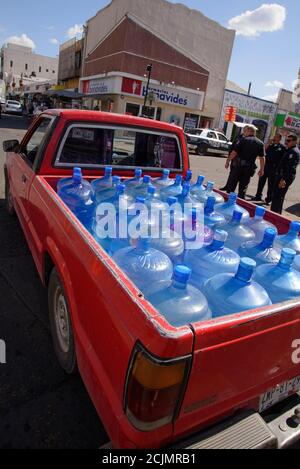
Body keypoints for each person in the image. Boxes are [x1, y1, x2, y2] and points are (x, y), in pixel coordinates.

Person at [224, 125, 265, 199]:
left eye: (245, 131)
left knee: (231, 187)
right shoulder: (260, 143)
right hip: (249, 169)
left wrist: (228, 161)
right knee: (243, 189)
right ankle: (240, 204)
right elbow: (262, 158)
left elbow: (234, 153)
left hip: (238, 167)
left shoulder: (242, 140)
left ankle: (227, 204)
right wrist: (262, 169)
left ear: (249, 131)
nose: (244, 133)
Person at [251, 133, 286, 204]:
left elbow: (283, 160)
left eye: (276, 137)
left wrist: (279, 170)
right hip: (266, 166)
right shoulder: (270, 145)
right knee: (261, 182)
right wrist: (268, 143)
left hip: (274, 168)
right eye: (274, 137)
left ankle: (269, 199)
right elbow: (263, 152)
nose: (274, 138)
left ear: (279, 139)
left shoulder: (282, 148)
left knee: (271, 185)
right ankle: (258, 196)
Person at [271, 134, 300, 214]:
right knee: (276, 196)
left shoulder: (294, 152)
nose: (286, 142)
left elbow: (290, 168)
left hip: (285, 178)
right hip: (282, 176)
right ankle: (274, 212)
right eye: (286, 140)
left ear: (295, 141)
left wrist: (283, 179)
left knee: (278, 197)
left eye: (289, 141)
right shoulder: (289, 149)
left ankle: (275, 214)